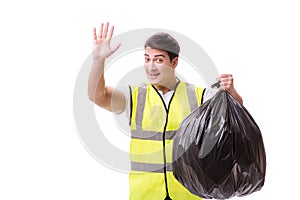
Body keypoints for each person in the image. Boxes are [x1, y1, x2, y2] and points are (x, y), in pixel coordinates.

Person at [88, 22, 243, 200]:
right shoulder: (133, 96)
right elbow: (97, 96)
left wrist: (232, 93)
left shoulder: (199, 96)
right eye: (147, 59)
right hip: (146, 195)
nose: (151, 66)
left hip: (187, 195)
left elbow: (234, 113)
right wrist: (98, 60)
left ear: (174, 62)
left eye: (159, 60)